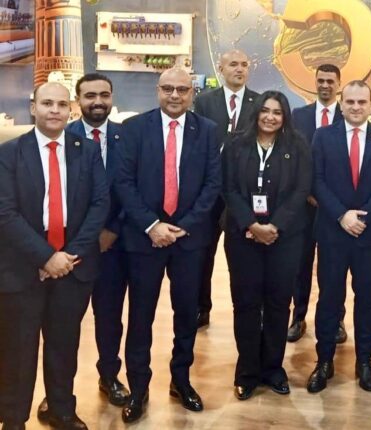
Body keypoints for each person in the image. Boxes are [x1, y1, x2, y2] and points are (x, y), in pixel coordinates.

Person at [0, 82, 109, 430]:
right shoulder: (9, 152)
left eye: (62, 104)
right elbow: (5, 213)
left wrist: (67, 256)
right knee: (18, 349)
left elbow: (99, 205)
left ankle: (61, 410)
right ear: (33, 107)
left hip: (72, 267)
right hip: (23, 266)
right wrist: (46, 257)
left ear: (71, 109)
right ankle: (13, 419)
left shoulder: (87, 151)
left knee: (64, 345)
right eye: (47, 103)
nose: (55, 110)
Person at [115, 67, 221, 423]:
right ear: (157, 90)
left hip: (189, 241)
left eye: (182, 89)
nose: (175, 95)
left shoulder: (207, 131)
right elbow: (123, 182)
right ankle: (138, 388)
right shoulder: (133, 128)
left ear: (192, 93)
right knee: (140, 316)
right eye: (168, 89)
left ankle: (181, 380)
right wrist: (152, 225)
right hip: (144, 239)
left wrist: (182, 227)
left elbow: (213, 184)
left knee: (186, 314)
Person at [306, 80, 371, 393]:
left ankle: (365, 362)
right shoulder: (323, 136)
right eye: (350, 102)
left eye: (362, 102)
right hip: (333, 233)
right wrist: (341, 215)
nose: (356, 107)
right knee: (329, 299)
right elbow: (316, 180)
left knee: (367, 300)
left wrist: (363, 217)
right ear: (341, 104)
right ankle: (324, 361)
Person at [223, 91, 312, 400]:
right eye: (265, 110)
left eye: (277, 112)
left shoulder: (297, 146)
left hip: (284, 238)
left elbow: (301, 189)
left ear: (284, 116)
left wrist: (275, 226)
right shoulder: (236, 144)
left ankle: (273, 368)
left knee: (277, 304)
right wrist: (251, 224)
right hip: (242, 236)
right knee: (246, 304)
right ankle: (247, 371)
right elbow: (228, 188)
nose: (270, 117)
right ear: (256, 113)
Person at [66, 73, 131, 407]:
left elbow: (136, 188)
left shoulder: (127, 137)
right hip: (72, 250)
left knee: (109, 318)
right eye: (90, 96)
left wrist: (113, 229)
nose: (97, 102)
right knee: (65, 323)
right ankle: (59, 391)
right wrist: (87, 237)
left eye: (104, 95)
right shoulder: (64, 137)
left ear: (111, 98)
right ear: (78, 100)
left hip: (114, 247)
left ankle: (109, 376)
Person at [193, 49, 259, 329]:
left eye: (244, 64)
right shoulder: (204, 101)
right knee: (203, 253)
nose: (239, 69)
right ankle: (201, 308)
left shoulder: (259, 102)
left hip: (242, 192)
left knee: (243, 257)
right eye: (233, 64)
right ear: (221, 69)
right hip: (210, 191)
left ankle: (246, 311)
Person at [288, 64, 346, 344]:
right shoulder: (298, 116)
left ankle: (336, 320)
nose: (325, 85)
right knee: (300, 265)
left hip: (335, 208)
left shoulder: (348, 116)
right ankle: (298, 317)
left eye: (330, 81)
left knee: (334, 267)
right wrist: (307, 192)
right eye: (321, 80)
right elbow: (293, 158)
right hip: (303, 205)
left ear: (339, 84)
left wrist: (329, 199)